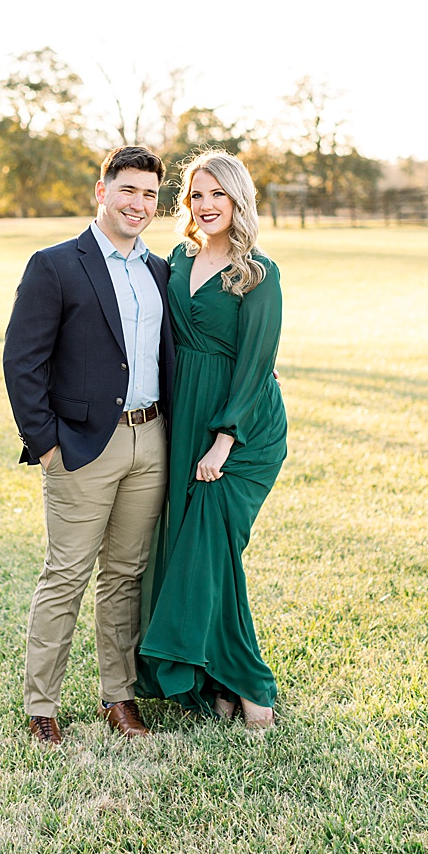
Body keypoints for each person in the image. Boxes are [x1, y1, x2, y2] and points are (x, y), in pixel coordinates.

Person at [3, 145, 174, 746]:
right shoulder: (55, 265)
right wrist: (46, 445)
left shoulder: (160, 271)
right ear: (101, 191)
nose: (139, 204)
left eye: (150, 194)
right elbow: (22, 362)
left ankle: (118, 699)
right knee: (66, 575)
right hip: (81, 447)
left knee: (125, 576)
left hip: (151, 441)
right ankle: (41, 706)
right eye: (128, 190)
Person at [135, 150, 286, 730]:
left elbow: (255, 364)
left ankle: (252, 689)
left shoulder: (259, 272)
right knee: (195, 552)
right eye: (197, 194)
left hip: (241, 431)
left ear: (238, 199)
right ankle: (213, 682)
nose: (206, 205)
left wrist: (223, 443)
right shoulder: (178, 258)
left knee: (213, 552)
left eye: (218, 194)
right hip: (185, 421)